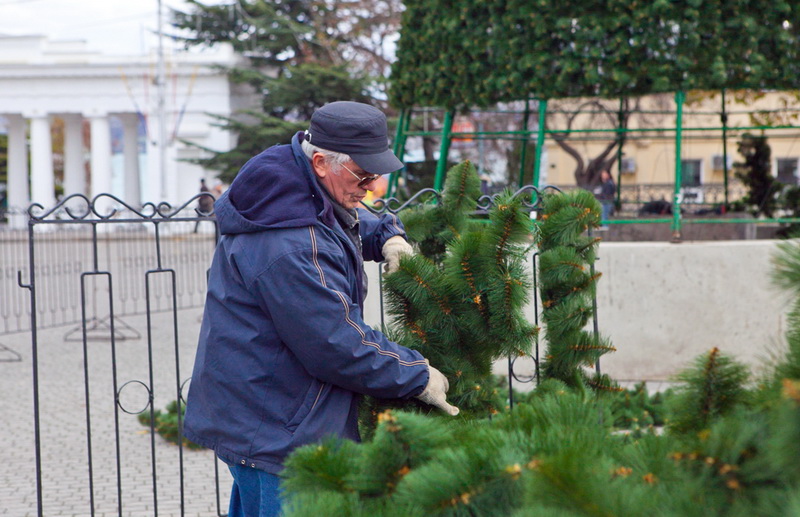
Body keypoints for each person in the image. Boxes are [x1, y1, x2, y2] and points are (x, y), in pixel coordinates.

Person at [183, 101, 459, 517]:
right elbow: (334, 341)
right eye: (363, 175)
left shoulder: (291, 189)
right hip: (278, 431)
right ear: (320, 162)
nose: (369, 187)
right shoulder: (288, 244)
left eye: (376, 175)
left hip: (268, 417)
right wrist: (415, 374)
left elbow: (340, 221)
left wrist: (387, 234)